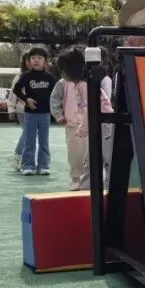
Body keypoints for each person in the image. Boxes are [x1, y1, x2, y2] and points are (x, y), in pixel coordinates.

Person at [11, 47, 56, 176]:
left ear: (45, 61)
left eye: (39, 58)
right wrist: (26, 99)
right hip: (30, 114)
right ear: (29, 60)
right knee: (29, 141)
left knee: (44, 141)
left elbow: (55, 95)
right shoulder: (25, 76)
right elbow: (16, 90)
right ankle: (27, 166)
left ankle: (44, 166)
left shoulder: (50, 78)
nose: (36, 60)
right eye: (33, 58)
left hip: (45, 114)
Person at [51, 48, 89, 191]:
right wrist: (59, 115)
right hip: (72, 124)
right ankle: (75, 178)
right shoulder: (62, 83)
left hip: (88, 124)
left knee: (88, 153)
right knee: (74, 154)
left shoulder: (86, 83)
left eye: (63, 71)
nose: (62, 74)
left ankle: (88, 179)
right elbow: (54, 99)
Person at [7, 49, 33, 171]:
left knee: (32, 135)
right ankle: (16, 156)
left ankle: (25, 159)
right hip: (23, 110)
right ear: (24, 62)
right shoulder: (20, 76)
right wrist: (11, 109)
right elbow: (13, 94)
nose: (32, 62)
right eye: (29, 60)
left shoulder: (40, 76)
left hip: (36, 111)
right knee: (28, 133)